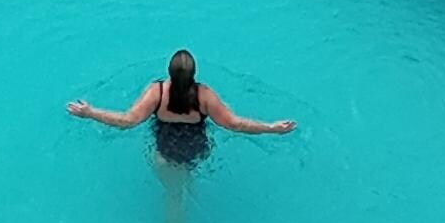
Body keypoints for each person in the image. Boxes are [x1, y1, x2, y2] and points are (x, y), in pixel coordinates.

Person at [68, 49, 294, 159]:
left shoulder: (156, 92)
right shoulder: (204, 96)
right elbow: (234, 124)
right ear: (195, 73)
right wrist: (272, 128)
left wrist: (90, 112)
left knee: (174, 196)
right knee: (185, 186)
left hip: (165, 144)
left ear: (169, 72)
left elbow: (128, 121)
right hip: (197, 144)